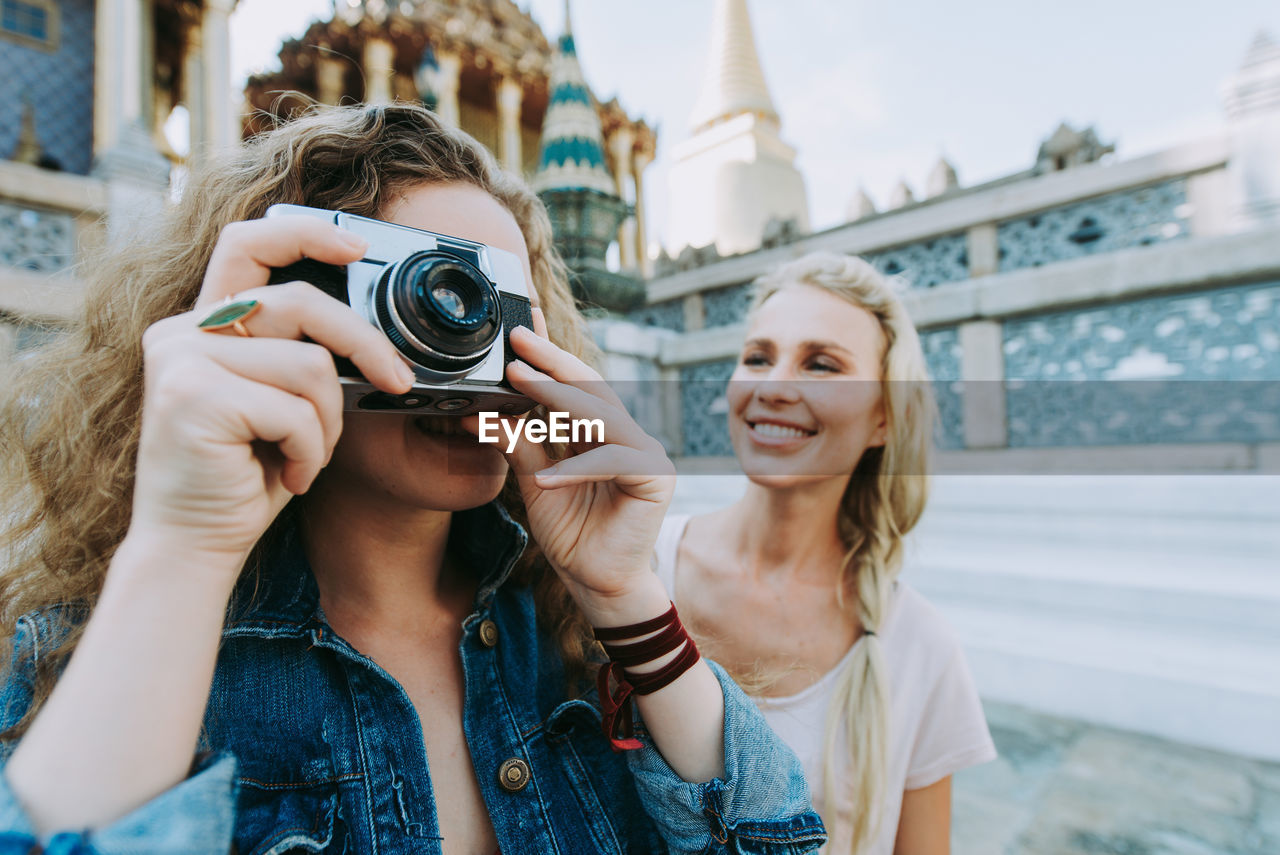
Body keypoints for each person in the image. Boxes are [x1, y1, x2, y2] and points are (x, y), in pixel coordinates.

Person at [0, 103, 825, 855]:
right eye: (427, 291)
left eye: (494, 306)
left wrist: (626, 595)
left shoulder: (569, 632)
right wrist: (183, 546)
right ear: (282, 310)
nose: (466, 339)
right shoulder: (112, 639)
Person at [652, 253, 996, 855]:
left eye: (821, 365)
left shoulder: (920, 649)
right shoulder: (637, 565)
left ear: (884, 417)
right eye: (758, 357)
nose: (773, 386)